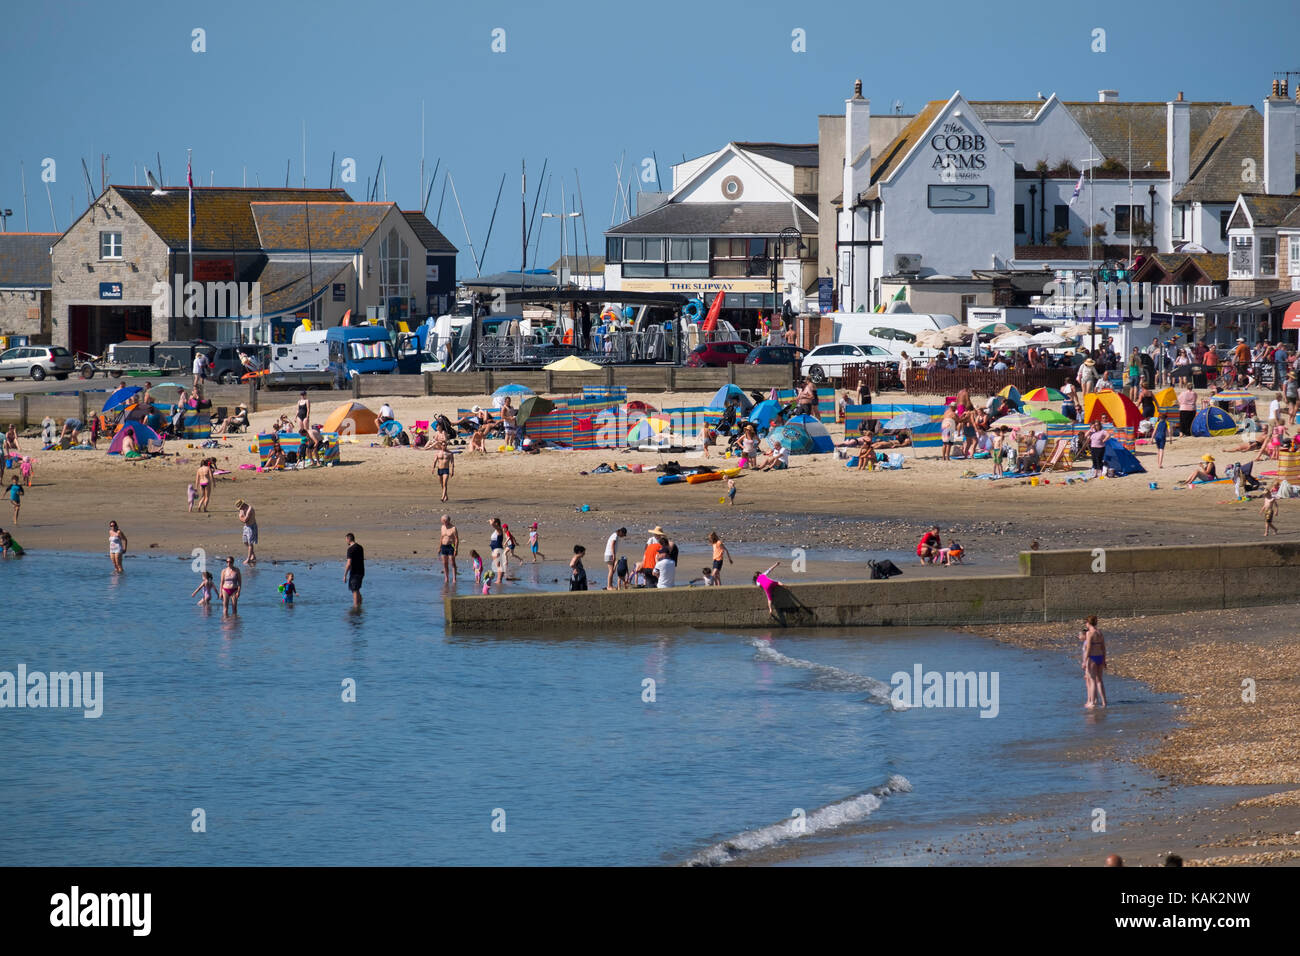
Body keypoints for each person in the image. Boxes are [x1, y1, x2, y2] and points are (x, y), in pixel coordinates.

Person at [1081, 615, 1106, 708]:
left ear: (1088, 623)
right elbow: (1103, 647)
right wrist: (1104, 659)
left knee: (1092, 681)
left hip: (1092, 658)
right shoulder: (1099, 633)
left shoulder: (1089, 633)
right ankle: (1104, 702)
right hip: (1100, 657)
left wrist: (1084, 661)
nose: (1086, 625)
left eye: (1086, 623)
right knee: (1099, 681)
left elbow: (1088, 648)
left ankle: (1092, 702)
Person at [343, 532, 365, 607]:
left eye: (346, 539)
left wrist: (345, 575)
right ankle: (360, 606)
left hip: (355, 572)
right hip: (361, 571)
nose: (346, 541)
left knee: (354, 590)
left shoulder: (350, 549)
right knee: (357, 589)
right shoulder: (360, 547)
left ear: (349, 539)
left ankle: (356, 607)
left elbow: (349, 563)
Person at [236, 498, 258, 565]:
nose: (240, 509)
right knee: (245, 542)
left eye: (240, 507)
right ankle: (252, 555)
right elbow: (241, 518)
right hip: (246, 527)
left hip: (251, 527)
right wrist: (241, 517)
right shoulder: (242, 509)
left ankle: (248, 559)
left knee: (250, 543)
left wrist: (240, 518)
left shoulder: (249, 509)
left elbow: (245, 520)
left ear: (243, 504)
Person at [438, 513, 459, 580]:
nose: (442, 522)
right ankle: (446, 578)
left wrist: (456, 549)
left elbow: (456, 539)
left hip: (451, 546)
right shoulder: (442, 527)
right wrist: (439, 547)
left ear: (447, 521)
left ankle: (454, 578)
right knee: (444, 563)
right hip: (444, 546)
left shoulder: (453, 528)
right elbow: (441, 537)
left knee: (452, 562)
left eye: (443, 521)